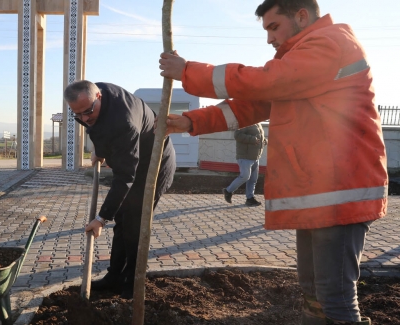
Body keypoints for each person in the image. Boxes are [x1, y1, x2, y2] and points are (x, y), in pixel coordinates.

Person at [158, 1, 386, 324]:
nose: (269, 39)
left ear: (302, 16)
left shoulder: (329, 44)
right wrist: (191, 122)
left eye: (273, 27)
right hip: (322, 191)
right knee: (314, 294)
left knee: (335, 300)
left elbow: (264, 82)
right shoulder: (304, 59)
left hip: (339, 192)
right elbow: (253, 105)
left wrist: (187, 72)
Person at [64, 80, 176, 299]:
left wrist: (101, 218)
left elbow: (125, 177)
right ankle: (114, 276)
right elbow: (97, 125)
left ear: (99, 97)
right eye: (78, 115)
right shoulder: (94, 96)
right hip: (132, 157)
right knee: (123, 222)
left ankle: (133, 283)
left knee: (135, 225)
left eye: (87, 111)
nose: (85, 118)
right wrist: (101, 149)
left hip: (153, 165)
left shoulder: (124, 121)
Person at [222, 123, 266, 207]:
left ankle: (250, 199)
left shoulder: (258, 123)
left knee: (253, 179)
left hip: (255, 157)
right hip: (245, 157)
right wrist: (252, 139)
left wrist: (263, 141)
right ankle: (228, 191)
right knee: (245, 176)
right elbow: (237, 135)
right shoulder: (244, 122)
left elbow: (258, 136)